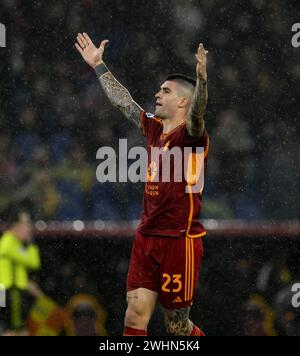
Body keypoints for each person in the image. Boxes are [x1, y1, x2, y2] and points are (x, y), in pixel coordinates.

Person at [75, 33, 209, 336]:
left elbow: (198, 114)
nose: (157, 94)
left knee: (176, 327)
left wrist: (202, 80)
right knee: (134, 314)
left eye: (165, 91)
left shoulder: (191, 135)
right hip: (146, 236)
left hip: (179, 239)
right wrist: (98, 65)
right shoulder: (154, 129)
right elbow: (126, 103)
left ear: (183, 101)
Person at [0, 208, 41, 336]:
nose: (28, 228)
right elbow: (33, 262)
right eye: (25, 224)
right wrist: (30, 244)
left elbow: (34, 263)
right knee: (13, 330)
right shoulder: (8, 243)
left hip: (11, 291)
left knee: (17, 328)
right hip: (11, 291)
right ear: (15, 226)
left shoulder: (15, 244)